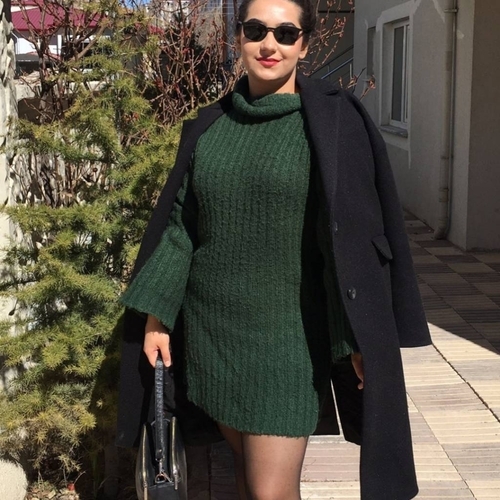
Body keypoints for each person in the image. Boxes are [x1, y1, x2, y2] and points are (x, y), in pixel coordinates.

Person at [116, 0, 431, 499]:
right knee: (246, 472)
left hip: (289, 339)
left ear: (304, 45)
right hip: (215, 332)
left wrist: (358, 338)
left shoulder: (333, 123)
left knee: (271, 490)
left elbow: (347, 239)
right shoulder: (210, 126)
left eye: (286, 33)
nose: (270, 44)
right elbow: (181, 227)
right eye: (256, 30)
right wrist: (157, 317)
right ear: (238, 37)